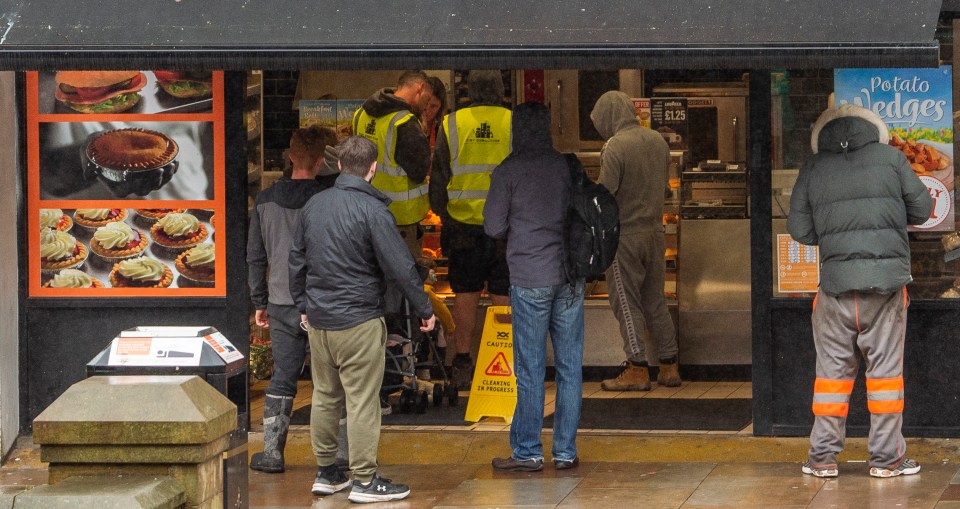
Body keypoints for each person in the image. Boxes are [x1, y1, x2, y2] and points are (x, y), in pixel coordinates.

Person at [787, 103, 932, 479]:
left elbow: (800, 231)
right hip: (886, 289)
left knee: (831, 376)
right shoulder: (892, 159)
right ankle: (886, 460)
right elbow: (923, 209)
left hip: (835, 289)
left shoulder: (813, 167)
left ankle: (822, 458)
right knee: (885, 374)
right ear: (875, 130)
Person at [289, 136, 437, 502]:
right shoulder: (373, 211)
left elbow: (296, 261)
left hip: (320, 322)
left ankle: (327, 472)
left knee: (324, 395)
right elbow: (401, 267)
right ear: (373, 169)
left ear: (339, 165)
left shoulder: (313, 206)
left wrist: (302, 305)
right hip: (359, 320)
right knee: (362, 400)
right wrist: (424, 308)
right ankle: (366, 481)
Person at [484, 102, 585, 472]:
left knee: (529, 368)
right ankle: (565, 451)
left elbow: (493, 226)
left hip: (529, 277)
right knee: (570, 367)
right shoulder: (564, 166)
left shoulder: (508, 171)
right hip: (569, 276)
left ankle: (527, 450)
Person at [246, 125, 342, 473]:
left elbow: (255, 256)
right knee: (330, 380)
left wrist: (259, 302)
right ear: (321, 162)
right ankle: (335, 457)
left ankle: (272, 453)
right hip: (322, 301)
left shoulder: (265, 202)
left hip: (281, 301)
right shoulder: (328, 200)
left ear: (290, 157)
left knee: (283, 376)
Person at [590, 90, 680, 392]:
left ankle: (637, 368)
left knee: (626, 303)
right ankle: (669, 366)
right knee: (656, 300)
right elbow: (666, 191)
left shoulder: (614, 146)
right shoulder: (657, 141)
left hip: (624, 236)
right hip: (656, 234)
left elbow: (605, 194)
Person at [429, 70, 512, 388]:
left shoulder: (452, 123)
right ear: (500, 90)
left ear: (470, 92)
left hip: (463, 226)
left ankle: (462, 360)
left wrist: (443, 212)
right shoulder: (512, 121)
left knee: (465, 294)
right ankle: (505, 356)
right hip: (504, 227)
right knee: (503, 292)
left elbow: (439, 176)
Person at [353, 70, 433, 258]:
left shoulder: (361, 114)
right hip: (399, 219)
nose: (426, 107)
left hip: (364, 213)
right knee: (404, 279)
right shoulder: (405, 123)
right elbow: (419, 171)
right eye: (427, 100)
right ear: (419, 88)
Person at [420, 76, 447, 154]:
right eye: (425, 102)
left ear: (440, 108)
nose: (427, 109)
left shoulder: (443, 128)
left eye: (433, 106)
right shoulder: (410, 124)